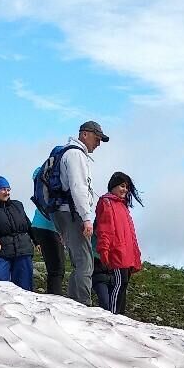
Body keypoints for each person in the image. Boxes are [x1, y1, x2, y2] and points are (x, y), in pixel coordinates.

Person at [53, 120, 108, 305]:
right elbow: (78, 188)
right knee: (85, 262)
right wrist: (87, 217)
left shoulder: (68, 153)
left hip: (64, 211)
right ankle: (82, 304)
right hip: (72, 212)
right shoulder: (76, 155)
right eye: (97, 138)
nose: (98, 143)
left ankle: (75, 302)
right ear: (85, 134)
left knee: (80, 261)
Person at [92, 171, 143, 314]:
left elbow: (131, 235)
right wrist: (104, 250)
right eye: (122, 186)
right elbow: (104, 229)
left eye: (127, 187)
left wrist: (136, 256)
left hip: (126, 254)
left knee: (123, 284)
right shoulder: (106, 202)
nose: (125, 190)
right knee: (119, 284)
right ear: (113, 186)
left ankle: (120, 315)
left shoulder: (123, 206)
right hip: (118, 253)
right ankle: (113, 316)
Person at [0, 176, 35, 291]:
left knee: (24, 287)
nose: (6, 192)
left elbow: (28, 225)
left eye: (8, 189)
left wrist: (37, 241)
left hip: (23, 250)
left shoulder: (18, 205)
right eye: (3, 189)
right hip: (2, 251)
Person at [28, 166, 65, 295]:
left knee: (54, 268)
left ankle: (54, 298)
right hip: (50, 226)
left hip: (39, 224)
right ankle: (55, 301)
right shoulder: (54, 180)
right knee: (57, 269)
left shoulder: (41, 176)